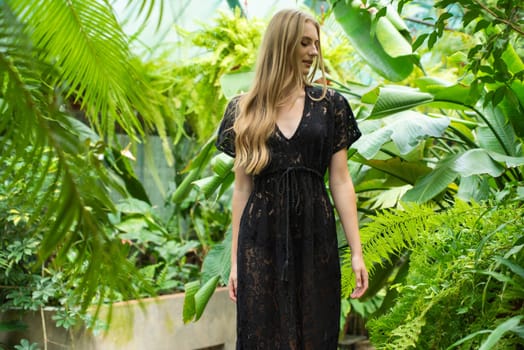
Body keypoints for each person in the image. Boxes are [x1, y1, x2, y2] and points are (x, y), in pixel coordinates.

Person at [215, 8, 368, 350]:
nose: (314, 52)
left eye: (316, 44)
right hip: (260, 241)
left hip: (316, 236)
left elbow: (341, 182)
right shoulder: (244, 110)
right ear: (282, 45)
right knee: (263, 335)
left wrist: (356, 252)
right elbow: (242, 189)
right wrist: (237, 261)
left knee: (315, 332)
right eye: (304, 43)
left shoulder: (331, 105)